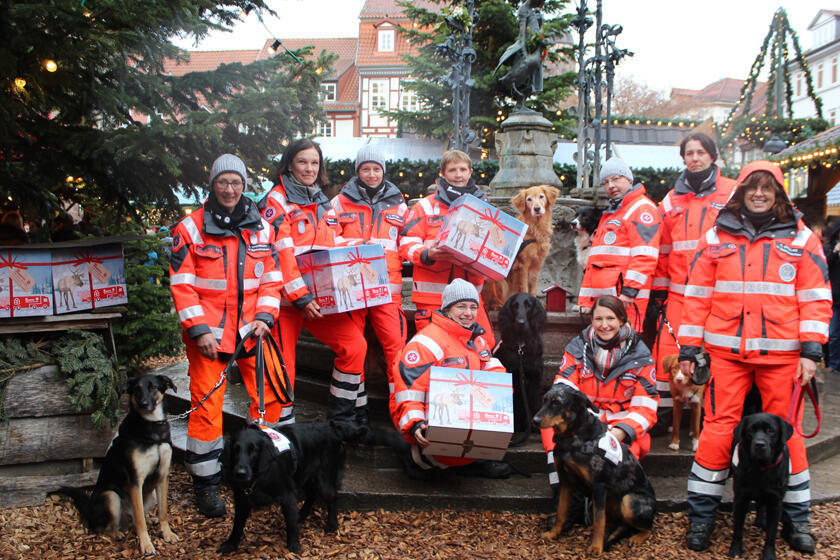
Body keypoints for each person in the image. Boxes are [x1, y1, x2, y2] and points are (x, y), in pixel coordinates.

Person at [678, 160, 831, 553]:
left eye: (767, 189)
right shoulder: (714, 238)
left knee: (789, 437)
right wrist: (689, 350)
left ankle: (796, 522)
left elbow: (815, 299)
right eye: (752, 188)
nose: (759, 194)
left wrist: (812, 351)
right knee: (716, 432)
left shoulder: (801, 239)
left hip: (783, 356)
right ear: (741, 192)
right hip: (726, 353)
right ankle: (702, 519)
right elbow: (696, 298)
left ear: (778, 194)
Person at [169, 154, 285, 517]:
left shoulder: (262, 229)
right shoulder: (189, 229)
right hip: (209, 339)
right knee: (207, 411)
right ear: (213, 185)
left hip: (253, 333)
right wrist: (199, 330)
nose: (230, 189)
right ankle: (206, 484)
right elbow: (182, 287)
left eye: (236, 182)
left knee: (273, 398)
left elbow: (271, 279)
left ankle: (259, 467)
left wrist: (266, 316)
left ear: (245, 185)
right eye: (224, 182)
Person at [258, 139, 369, 424]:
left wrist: (362, 247)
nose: (309, 168)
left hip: (320, 299)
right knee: (283, 367)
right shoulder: (275, 201)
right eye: (303, 162)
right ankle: (277, 430)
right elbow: (279, 253)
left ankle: (341, 418)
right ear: (289, 164)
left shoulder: (321, 200)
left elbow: (333, 241)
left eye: (314, 163)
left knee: (355, 346)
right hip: (286, 302)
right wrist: (301, 297)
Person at [539, 295, 659, 526]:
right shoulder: (577, 348)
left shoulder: (641, 356)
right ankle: (568, 505)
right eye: (598, 319)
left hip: (619, 426)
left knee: (622, 452)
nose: (604, 325)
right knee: (552, 438)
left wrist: (618, 433)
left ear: (622, 320)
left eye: (611, 318)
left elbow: (646, 407)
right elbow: (563, 386)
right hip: (584, 423)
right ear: (591, 320)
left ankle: (609, 510)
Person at [649, 132, 736, 430]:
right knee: (665, 351)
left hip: (717, 292)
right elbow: (662, 248)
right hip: (678, 293)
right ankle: (663, 414)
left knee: (713, 353)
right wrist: (658, 293)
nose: (695, 158)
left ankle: (712, 415)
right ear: (683, 158)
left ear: (712, 156)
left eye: (700, 152)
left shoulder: (731, 192)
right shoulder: (671, 199)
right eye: (689, 153)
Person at [389, 279, 511, 478]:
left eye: (473, 307)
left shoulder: (478, 340)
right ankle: (420, 459)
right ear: (446, 309)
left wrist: (501, 403)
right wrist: (415, 424)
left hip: (463, 424)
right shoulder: (425, 343)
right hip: (430, 426)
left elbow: (494, 375)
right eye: (461, 306)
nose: (468, 313)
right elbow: (407, 392)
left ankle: (462, 464)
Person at [324, 144, 409, 400]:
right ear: (357, 171)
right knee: (353, 350)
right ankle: (353, 408)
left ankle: (403, 408)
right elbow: (327, 239)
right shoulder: (338, 202)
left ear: (383, 171)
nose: (371, 174)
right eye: (365, 169)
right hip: (352, 288)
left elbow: (406, 242)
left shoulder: (399, 204)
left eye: (376, 169)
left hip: (387, 290)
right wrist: (357, 245)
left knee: (396, 347)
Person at [400, 149, 496, 348]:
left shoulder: (483, 208)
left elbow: (495, 245)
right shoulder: (425, 206)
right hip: (433, 297)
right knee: (433, 349)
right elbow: (405, 244)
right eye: (452, 170)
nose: (458, 174)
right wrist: (427, 254)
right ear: (443, 173)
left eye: (463, 169)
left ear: (470, 172)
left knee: (484, 344)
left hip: (470, 297)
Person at [578, 157, 661, 332]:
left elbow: (645, 255)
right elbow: (597, 260)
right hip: (608, 302)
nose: (611, 186)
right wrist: (586, 300)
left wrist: (630, 291)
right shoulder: (614, 212)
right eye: (606, 182)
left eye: (616, 179)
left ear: (629, 180)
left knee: (623, 351)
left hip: (625, 301)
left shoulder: (642, 209)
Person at [823, 218, 840, 372]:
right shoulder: (829, 248)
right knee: (833, 334)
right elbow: (823, 267)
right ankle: (833, 364)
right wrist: (835, 252)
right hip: (834, 299)